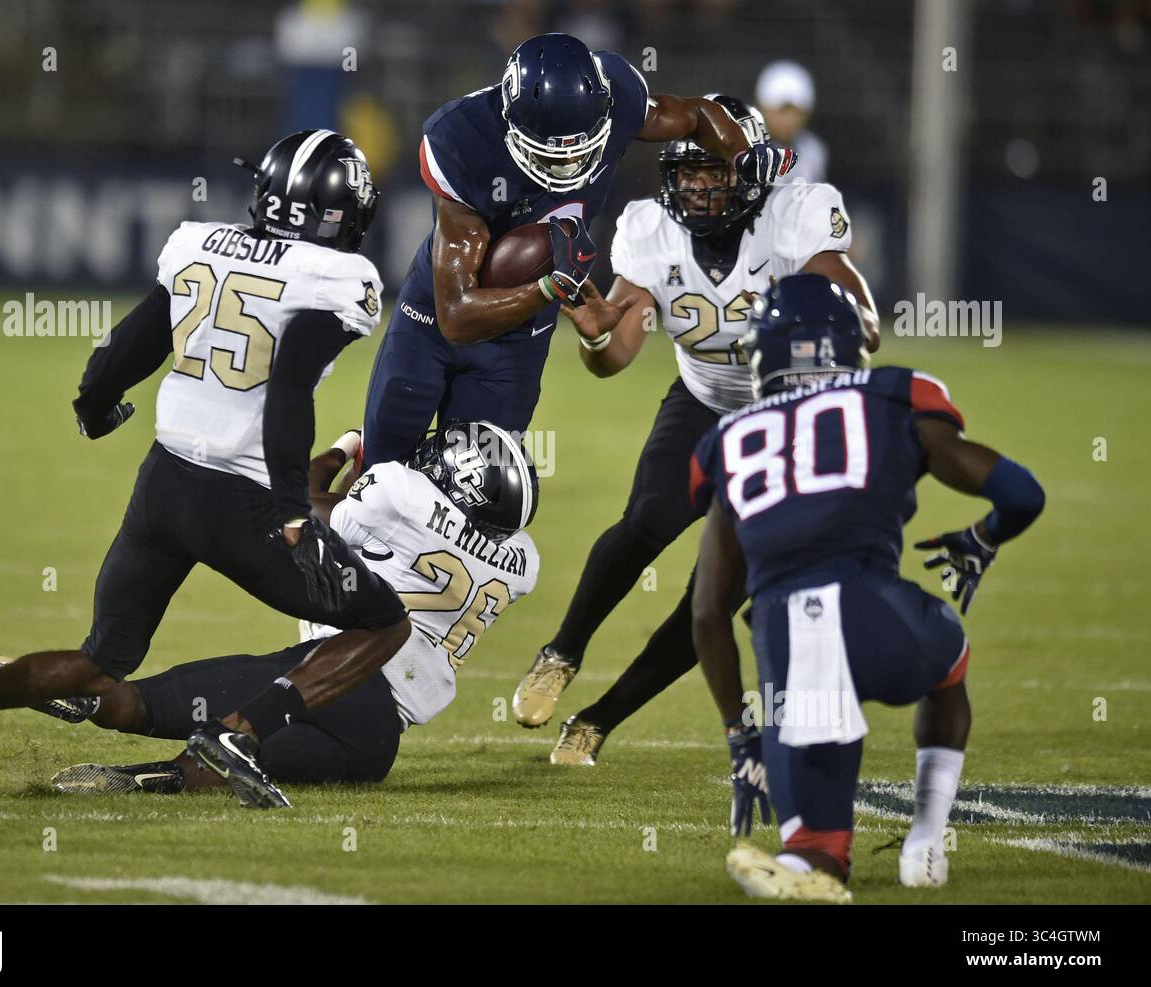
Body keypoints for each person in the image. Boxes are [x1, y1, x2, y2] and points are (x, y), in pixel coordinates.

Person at [0, 130, 413, 805]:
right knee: (382, 622)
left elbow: (133, 342)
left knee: (101, 662)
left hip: (162, 485)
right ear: (337, 212)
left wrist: (96, 402)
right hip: (242, 501)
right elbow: (287, 391)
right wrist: (290, 514)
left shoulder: (202, 243)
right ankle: (240, 734)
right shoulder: (337, 276)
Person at [509, 96, 879, 762]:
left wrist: (827, 320)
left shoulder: (794, 216)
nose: (702, 187)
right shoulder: (651, 229)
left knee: (714, 594)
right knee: (644, 523)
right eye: (689, 173)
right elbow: (616, 352)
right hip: (704, 402)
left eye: (716, 172)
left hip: (781, 426)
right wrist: (596, 339)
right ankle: (561, 651)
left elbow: (862, 315)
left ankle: (597, 721)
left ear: (753, 171)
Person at [690, 274, 1045, 901]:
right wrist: (982, 538)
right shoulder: (894, 393)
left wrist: (739, 735)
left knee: (814, 849)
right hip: (877, 618)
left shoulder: (728, 440)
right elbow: (1022, 494)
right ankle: (926, 838)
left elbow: (707, 614)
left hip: (789, 651)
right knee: (949, 665)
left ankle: (808, 866)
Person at [361, 33, 797, 469]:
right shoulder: (461, 138)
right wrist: (551, 287)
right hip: (434, 318)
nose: (568, 161)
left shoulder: (620, 95)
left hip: (520, 334)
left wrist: (743, 154)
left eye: (581, 145)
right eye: (551, 153)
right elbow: (455, 315)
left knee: (473, 491)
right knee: (382, 474)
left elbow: (697, 114)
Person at [46, 422, 540, 807]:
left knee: (144, 703)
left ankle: (71, 691)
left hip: (337, 676)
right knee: (227, 756)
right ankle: (166, 775)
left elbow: (295, 504)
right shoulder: (524, 563)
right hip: (373, 745)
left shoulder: (400, 495)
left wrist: (346, 446)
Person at [755, 60, 828, 184]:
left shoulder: (813, 151)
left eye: (795, 111)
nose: (788, 119)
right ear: (762, 106)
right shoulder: (740, 148)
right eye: (781, 111)